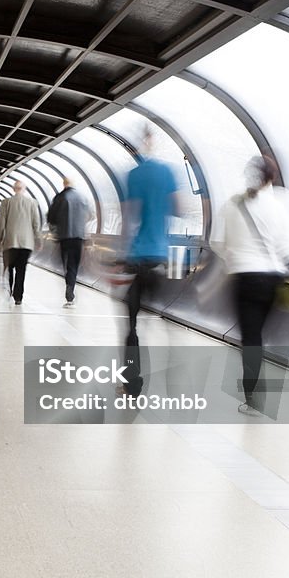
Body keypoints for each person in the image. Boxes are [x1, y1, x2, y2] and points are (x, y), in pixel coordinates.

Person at [211, 154, 289, 415]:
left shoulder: (232, 205)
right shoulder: (279, 205)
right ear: (272, 178)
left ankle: (253, 397)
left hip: (245, 278)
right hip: (273, 279)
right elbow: (288, 246)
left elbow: (217, 243)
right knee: (260, 336)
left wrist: (234, 257)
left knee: (251, 338)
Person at [119, 129, 180, 394]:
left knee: (131, 324)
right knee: (163, 319)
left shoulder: (133, 175)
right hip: (160, 257)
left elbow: (129, 217)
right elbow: (178, 208)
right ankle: (175, 379)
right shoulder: (168, 173)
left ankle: (132, 383)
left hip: (137, 258)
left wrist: (120, 254)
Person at [0, 180, 42, 305]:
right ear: (24, 189)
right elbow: (36, 224)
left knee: (9, 268)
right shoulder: (32, 203)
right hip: (26, 243)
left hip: (10, 241)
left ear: (13, 189)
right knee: (21, 270)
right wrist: (38, 240)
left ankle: (9, 290)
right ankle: (18, 297)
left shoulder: (6, 203)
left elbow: (1, 223)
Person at [47, 178, 91, 308]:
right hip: (78, 236)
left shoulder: (60, 197)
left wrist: (55, 230)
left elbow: (51, 218)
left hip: (64, 236)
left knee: (66, 263)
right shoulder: (83, 197)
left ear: (64, 184)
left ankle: (69, 286)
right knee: (74, 265)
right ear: (73, 184)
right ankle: (70, 288)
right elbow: (90, 215)